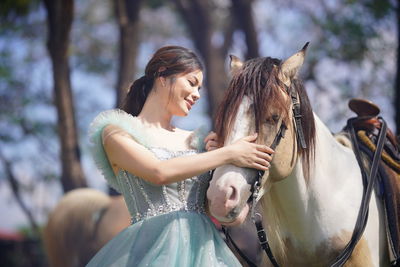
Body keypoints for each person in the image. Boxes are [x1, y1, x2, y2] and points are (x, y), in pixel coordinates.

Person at [87, 45, 274, 266]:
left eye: (200, 88)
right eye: (192, 83)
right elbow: (158, 173)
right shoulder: (116, 132)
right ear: (162, 76)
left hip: (206, 254)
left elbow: (227, 213)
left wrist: (225, 169)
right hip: (150, 251)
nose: (196, 95)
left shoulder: (200, 142)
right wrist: (229, 153)